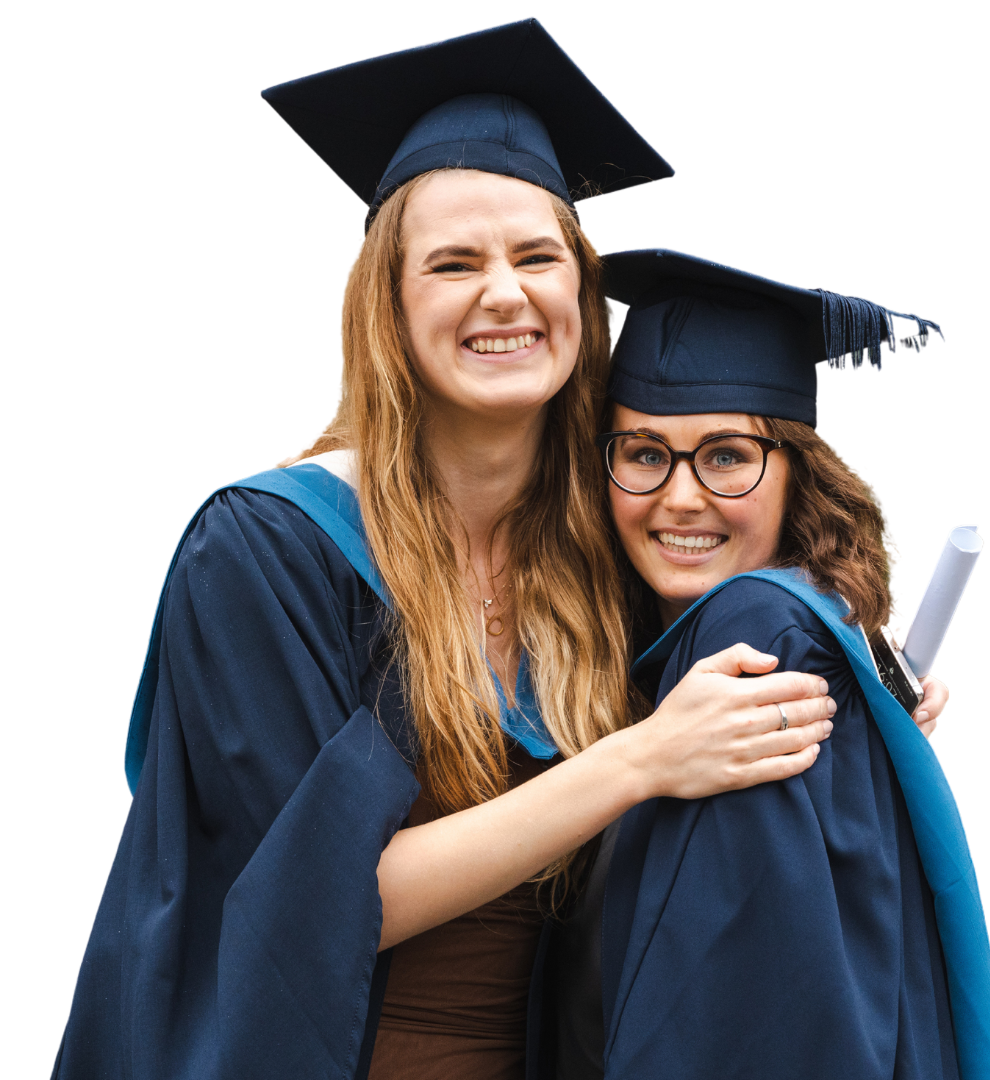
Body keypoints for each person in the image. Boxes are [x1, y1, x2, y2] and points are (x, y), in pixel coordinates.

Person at [51, 23, 852, 1080]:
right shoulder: (272, 548)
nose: (504, 294)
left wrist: (853, 689)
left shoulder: (597, 554)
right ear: (387, 304)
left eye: (536, 256)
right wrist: (638, 759)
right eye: (454, 263)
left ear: (580, 290)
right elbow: (300, 910)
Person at [542, 248, 990, 1080]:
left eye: (726, 456)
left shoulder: (761, 642)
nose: (680, 496)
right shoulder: (654, 653)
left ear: (798, 474)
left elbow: (742, 1012)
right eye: (644, 453)